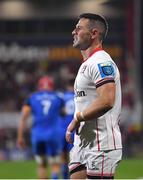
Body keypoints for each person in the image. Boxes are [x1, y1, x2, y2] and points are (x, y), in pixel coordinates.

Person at [66, 13, 122, 179]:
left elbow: (107, 101)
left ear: (94, 33)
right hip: (83, 142)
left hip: (101, 144)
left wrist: (77, 118)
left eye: (79, 28)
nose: (73, 32)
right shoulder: (87, 64)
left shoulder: (101, 61)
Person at [17, 75, 63, 179]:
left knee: (42, 165)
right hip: (53, 134)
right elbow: (65, 113)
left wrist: (20, 137)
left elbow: (23, 117)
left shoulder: (32, 98)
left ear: (39, 87)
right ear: (52, 86)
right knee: (55, 164)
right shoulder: (58, 97)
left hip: (37, 134)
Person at [60, 77, 75, 179]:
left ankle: (65, 177)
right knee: (74, 158)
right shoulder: (78, 96)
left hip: (62, 130)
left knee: (63, 157)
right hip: (74, 130)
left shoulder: (62, 98)